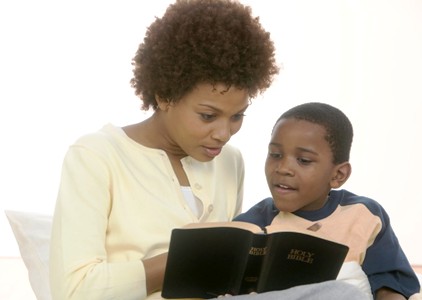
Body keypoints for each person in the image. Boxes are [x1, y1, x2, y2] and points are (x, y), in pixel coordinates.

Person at [49, 0, 279, 299]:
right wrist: (184, 260)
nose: (224, 134)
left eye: (237, 116)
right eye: (208, 116)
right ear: (165, 96)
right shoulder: (97, 155)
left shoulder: (230, 162)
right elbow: (74, 290)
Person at [234, 102, 421, 299]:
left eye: (304, 160)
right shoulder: (253, 225)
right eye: (275, 155)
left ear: (338, 175)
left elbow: (391, 284)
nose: (282, 168)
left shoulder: (363, 215)